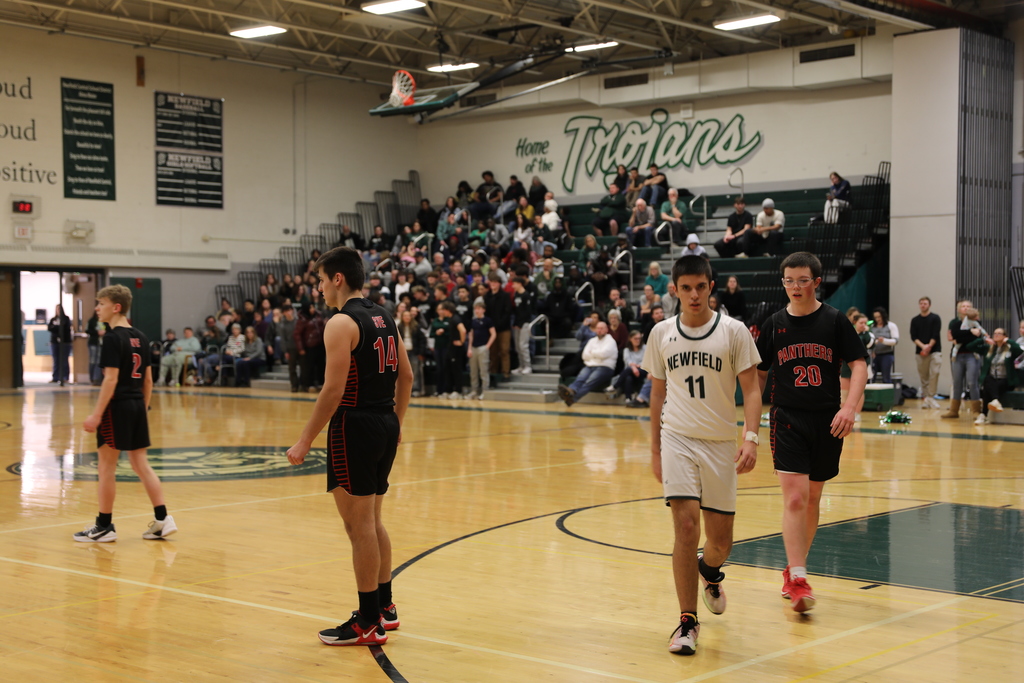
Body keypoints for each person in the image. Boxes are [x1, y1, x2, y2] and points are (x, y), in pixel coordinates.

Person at [286, 246, 413, 647]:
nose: (319, 288)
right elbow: (407, 377)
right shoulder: (385, 316)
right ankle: (385, 607)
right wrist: (397, 422)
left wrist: (305, 439)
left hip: (354, 426)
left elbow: (333, 390)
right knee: (372, 521)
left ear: (337, 278)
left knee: (359, 527)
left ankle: (368, 622)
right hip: (385, 421)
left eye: (321, 280)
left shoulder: (341, 323)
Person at [642, 255, 762, 655]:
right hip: (677, 438)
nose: (694, 295)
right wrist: (655, 449)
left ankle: (709, 570)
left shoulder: (734, 331)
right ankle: (687, 621)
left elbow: (752, 389)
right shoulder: (661, 333)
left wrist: (751, 438)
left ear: (711, 287)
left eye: (700, 287)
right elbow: (657, 393)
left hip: (720, 444)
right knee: (685, 527)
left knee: (720, 541)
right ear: (674, 290)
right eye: (686, 288)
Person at [755, 252, 868, 613]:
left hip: (827, 420)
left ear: (816, 282)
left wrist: (850, 407)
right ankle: (799, 579)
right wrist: (749, 423)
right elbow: (758, 373)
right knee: (795, 499)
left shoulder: (834, 320)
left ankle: (793, 568)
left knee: (814, 499)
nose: (796, 286)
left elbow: (859, 364)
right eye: (789, 280)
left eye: (803, 280)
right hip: (787, 418)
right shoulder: (774, 324)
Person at [77, 284, 176, 543]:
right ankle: (163, 519)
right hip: (137, 406)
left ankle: (104, 526)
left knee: (106, 467)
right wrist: (142, 409)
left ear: (116, 307)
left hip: (116, 407)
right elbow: (148, 381)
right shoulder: (141, 337)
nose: (97, 308)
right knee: (141, 464)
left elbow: (110, 380)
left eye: (101, 303)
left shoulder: (112, 338)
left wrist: (96, 415)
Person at [964, 328, 1021, 425]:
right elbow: (970, 346)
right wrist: (983, 339)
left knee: (988, 388)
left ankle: (983, 415)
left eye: (999, 333)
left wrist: (1009, 341)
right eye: (995, 333)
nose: (996, 335)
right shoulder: (989, 349)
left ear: (1004, 336)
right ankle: (995, 401)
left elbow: (1019, 351)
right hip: (992, 380)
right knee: (988, 381)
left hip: (1006, 380)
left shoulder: (1010, 348)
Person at [557, 321, 617, 406]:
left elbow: (604, 354)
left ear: (606, 329)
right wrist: (597, 354)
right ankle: (570, 390)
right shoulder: (592, 341)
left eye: (601, 328)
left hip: (605, 367)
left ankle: (572, 398)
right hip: (590, 366)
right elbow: (584, 355)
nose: (599, 330)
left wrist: (592, 353)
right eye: (598, 328)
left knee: (589, 381)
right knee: (580, 378)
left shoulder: (610, 341)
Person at [943, 300, 983, 419]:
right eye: (963, 306)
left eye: (968, 306)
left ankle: (976, 410)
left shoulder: (976, 322)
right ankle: (954, 410)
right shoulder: (955, 323)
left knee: (972, 382)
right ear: (959, 309)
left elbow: (975, 338)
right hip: (957, 356)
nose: (965, 308)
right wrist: (970, 332)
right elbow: (954, 335)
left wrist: (962, 337)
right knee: (957, 383)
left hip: (972, 355)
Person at [910, 297, 942, 409]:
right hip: (920, 352)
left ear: (929, 305)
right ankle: (926, 398)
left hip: (934, 351)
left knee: (935, 372)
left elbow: (935, 334)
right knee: (924, 376)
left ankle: (931, 396)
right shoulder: (915, 320)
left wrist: (929, 346)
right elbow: (913, 336)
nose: (923, 305)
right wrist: (923, 347)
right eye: (921, 303)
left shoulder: (935, 318)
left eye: (925, 303)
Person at [484, 274, 513, 379]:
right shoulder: (487, 296)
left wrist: (499, 323)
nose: (493, 284)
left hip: (504, 328)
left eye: (495, 282)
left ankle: (506, 372)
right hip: (491, 329)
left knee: (504, 350)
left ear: (499, 284)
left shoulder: (505, 295)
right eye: (491, 282)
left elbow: (507, 312)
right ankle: (493, 372)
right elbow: (486, 312)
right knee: (493, 352)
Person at [467, 300, 496, 400]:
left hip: (482, 348)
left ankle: (485, 391)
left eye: (479, 309)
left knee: (483, 371)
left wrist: (487, 346)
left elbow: (493, 334)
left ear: (483, 310)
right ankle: (474, 391)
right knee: (473, 371)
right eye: (475, 309)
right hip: (473, 348)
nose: (477, 311)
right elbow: (471, 335)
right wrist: (469, 348)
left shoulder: (488, 321)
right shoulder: (473, 321)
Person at [397, 309, 427, 398]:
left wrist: (421, 352)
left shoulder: (416, 327)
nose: (407, 317)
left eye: (408, 316)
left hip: (414, 352)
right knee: (402, 372)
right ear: (402, 317)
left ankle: (416, 390)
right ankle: (403, 390)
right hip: (403, 353)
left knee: (415, 372)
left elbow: (422, 340)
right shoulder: (399, 327)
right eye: (405, 316)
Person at [610, 330, 646, 400]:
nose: (638, 340)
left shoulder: (645, 348)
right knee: (628, 378)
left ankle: (615, 386)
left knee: (628, 370)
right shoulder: (626, 350)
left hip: (643, 370)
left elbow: (646, 360)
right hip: (631, 371)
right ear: (630, 339)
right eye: (635, 339)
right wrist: (633, 367)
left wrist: (636, 366)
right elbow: (627, 361)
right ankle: (628, 399)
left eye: (639, 339)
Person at [510, 277, 536, 375]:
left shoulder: (526, 295)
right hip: (517, 323)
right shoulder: (516, 294)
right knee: (517, 346)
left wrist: (521, 324)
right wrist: (515, 323)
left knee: (523, 345)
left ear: (519, 284)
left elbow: (527, 312)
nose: (513, 286)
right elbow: (516, 311)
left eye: (514, 284)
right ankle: (521, 366)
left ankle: (528, 366)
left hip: (525, 323)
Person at [870, 307, 898, 384]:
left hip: (886, 354)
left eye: (879, 317)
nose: (877, 319)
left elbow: (895, 341)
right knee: (872, 376)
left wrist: (884, 341)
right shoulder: (872, 326)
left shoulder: (891, 325)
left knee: (886, 377)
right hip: (874, 355)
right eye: (875, 317)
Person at [48, 304, 72, 386]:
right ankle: (55, 377)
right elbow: (50, 328)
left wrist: (56, 328)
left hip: (65, 342)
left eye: (59, 309)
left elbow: (65, 329)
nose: (58, 311)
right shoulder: (53, 319)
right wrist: (57, 328)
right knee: (56, 360)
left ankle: (65, 377)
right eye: (57, 309)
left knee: (64, 360)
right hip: (54, 342)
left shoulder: (66, 319)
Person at [86, 312, 103, 385]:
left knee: (99, 361)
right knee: (93, 361)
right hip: (93, 342)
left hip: (102, 343)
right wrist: (97, 333)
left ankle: (97, 378)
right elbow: (87, 330)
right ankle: (92, 378)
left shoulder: (104, 321)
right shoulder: (92, 320)